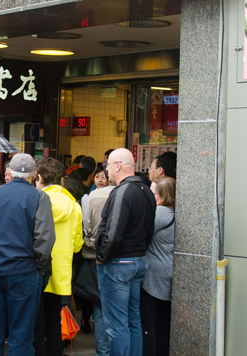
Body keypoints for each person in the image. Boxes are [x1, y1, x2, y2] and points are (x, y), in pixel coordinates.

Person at [0, 153, 55, 356]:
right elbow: (44, 240)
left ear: (9, 172)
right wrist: (42, 269)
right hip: (24, 271)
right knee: (21, 335)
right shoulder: (39, 197)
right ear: (34, 174)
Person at [95, 148, 156, 356]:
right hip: (139, 261)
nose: (107, 171)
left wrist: (101, 257)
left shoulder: (122, 192)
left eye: (108, 166)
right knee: (133, 320)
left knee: (116, 324)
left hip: (118, 264)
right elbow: (149, 230)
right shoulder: (146, 190)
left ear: (118, 165)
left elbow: (113, 233)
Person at [33, 158, 83, 356]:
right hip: (61, 275)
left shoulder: (35, 201)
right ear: (61, 181)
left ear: (39, 178)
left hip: (37, 269)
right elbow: (78, 244)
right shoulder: (74, 206)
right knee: (54, 324)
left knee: (36, 324)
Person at [76, 171, 115, 352]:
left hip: (95, 254)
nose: (100, 180)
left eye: (103, 177)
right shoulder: (120, 194)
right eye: (97, 176)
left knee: (99, 303)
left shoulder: (91, 197)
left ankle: (103, 351)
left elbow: (87, 227)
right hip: (120, 258)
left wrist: (90, 241)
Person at [141, 177, 175, 356]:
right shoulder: (173, 213)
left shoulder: (160, 213)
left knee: (148, 321)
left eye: (153, 193)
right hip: (168, 271)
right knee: (163, 322)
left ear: (162, 196)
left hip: (154, 275)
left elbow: (143, 233)